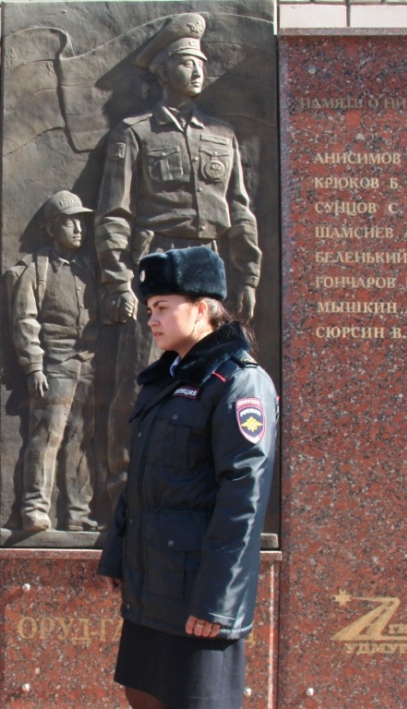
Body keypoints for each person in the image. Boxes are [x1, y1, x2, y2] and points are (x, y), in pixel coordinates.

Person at [97, 247, 277, 709]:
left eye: (162, 307)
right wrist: (117, 555)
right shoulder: (163, 382)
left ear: (200, 309)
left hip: (199, 595)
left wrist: (218, 600)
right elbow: (140, 479)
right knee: (144, 696)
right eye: (149, 309)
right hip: (152, 584)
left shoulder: (239, 384)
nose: (151, 320)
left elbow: (243, 499)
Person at [95, 12, 264, 492]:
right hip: (158, 262)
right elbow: (115, 214)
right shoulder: (135, 133)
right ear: (163, 70)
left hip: (209, 262)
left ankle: (203, 476)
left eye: (201, 64)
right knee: (141, 374)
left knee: (214, 370)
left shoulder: (223, 135)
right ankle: (123, 481)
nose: (197, 72)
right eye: (187, 62)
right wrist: (114, 278)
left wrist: (248, 276)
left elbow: (241, 211)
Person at [11, 190, 99, 533]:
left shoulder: (90, 267)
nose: (79, 228)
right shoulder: (36, 268)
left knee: (82, 439)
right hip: (55, 366)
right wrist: (33, 365)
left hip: (88, 365)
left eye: (82, 221)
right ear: (51, 227)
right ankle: (34, 509)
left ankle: (78, 514)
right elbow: (24, 319)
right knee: (47, 437)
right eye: (70, 221)